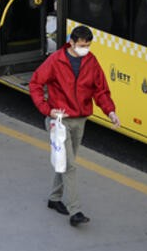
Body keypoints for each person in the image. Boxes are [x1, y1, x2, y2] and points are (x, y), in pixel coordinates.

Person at [29, 25, 121, 227]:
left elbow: (101, 91)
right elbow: (35, 83)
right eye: (81, 45)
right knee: (70, 165)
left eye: (88, 45)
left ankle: (54, 198)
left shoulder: (91, 61)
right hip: (59, 121)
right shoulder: (56, 60)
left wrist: (111, 112)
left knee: (65, 161)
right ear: (71, 43)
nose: (85, 49)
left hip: (80, 120)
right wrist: (47, 109)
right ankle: (75, 210)